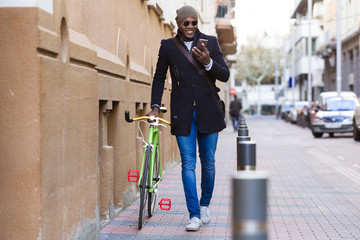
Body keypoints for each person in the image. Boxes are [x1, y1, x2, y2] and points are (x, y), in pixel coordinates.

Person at [147, 5, 229, 232]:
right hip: (182, 113)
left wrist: (208, 62)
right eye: (186, 23)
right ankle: (194, 214)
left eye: (194, 23)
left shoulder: (210, 42)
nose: (191, 27)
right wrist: (155, 106)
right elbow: (159, 77)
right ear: (178, 24)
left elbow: (224, 73)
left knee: (209, 162)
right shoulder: (168, 47)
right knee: (188, 163)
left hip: (209, 111)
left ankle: (205, 205)